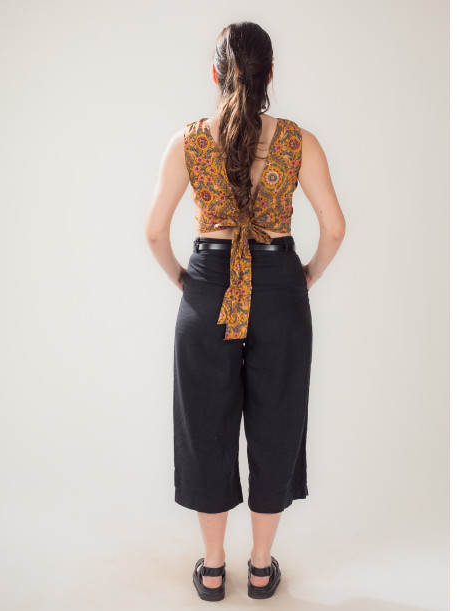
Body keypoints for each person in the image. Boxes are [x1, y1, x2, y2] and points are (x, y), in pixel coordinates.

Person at [145, 21, 346, 602]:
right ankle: (260, 568)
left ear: (216, 73)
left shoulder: (187, 142)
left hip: (208, 286)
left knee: (205, 424)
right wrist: (305, 275)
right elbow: (334, 228)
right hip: (280, 285)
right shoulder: (300, 142)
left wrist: (184, 279)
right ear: (271, 74)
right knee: (277, 421)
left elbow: (154, 231)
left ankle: (212, 570)